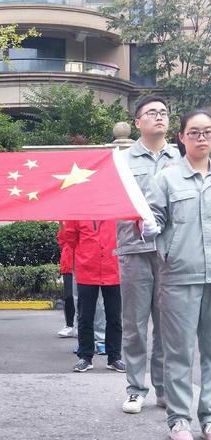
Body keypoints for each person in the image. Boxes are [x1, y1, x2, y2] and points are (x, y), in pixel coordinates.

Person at [146, 110, 211, 440]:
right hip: (180, 277)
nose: (202, 138)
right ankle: (179, 420)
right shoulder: (167, 179)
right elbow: (152, 217)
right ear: (182, 137)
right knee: (180, 353)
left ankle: (210, 418)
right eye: (194, 132)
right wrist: (153, 231)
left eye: (207, 132)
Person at [117, 95, 181, 414]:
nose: (159, 117)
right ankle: (135, 388)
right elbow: (114, 204)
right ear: (137, 122)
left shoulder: (181, 158)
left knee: (167, 325)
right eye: (151, 113)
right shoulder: (122, 161)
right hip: (134, 250)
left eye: (163, 113)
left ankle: (164, 388)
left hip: (171, 254)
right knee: (135, 324)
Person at [60, 220, 125, 373]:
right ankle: (85, 357)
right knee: (85, 316)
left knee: (114, 316)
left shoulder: (114, 211)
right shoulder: (78, 213)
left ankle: (114, 357)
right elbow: (70, 239)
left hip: (112, 269)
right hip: (87, 269)